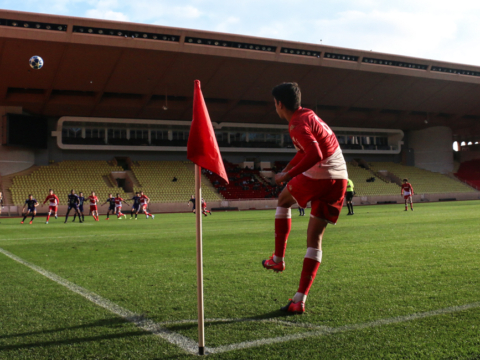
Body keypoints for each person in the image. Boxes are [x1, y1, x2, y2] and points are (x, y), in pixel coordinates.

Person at [262, 82, 348, 314]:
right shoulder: (308, 116)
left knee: (282, 200)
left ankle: (278, 258)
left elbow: (315, 154)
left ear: (280, 104)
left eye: (275, 104)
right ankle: (299, 300)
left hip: (321, 173)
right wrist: (286, 170)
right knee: (315, 239)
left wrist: (288, 175)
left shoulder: (296, 124)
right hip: (339, 178)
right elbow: (304, 150)